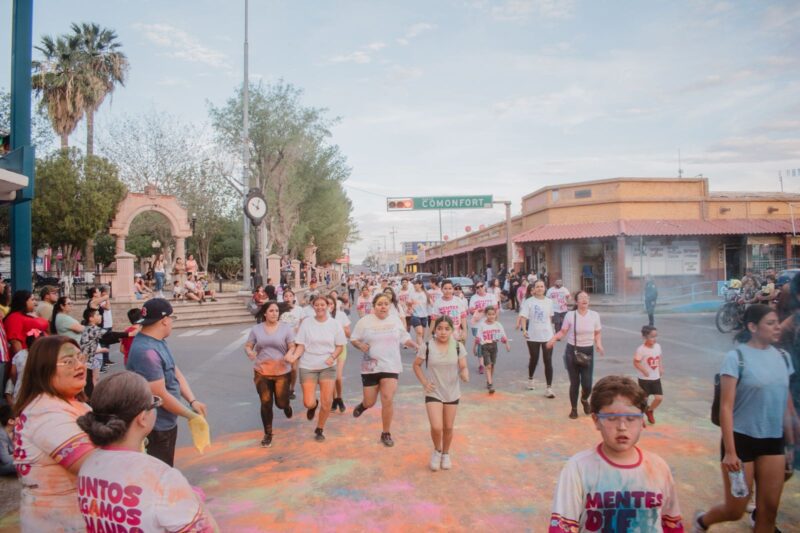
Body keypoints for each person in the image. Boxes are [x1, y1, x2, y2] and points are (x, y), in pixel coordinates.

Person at [694, 304, 794, 533]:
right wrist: (730, 451)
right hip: (741, 441)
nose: (778, 327)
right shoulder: (736, 357)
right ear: (752, 327)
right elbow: (726, 408)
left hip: (773, 441)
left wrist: (790, 443)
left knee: (769, 510)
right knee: (735, 509)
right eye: (770, 323)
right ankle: (702, 521)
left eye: (777, 322)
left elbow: (786, 405)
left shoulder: (783, 357)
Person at [76, 371, 218, 532]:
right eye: (154, 403)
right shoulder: (161, 477)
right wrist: (196, 501)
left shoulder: (88, 465)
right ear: (142, 417)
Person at [548, 375, 684, 532]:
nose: (622, 427)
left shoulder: (658, 467)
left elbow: (671, 524)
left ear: (642, 421)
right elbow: (562, 527)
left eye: (631, 418)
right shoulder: (578, 468)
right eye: (611, 418)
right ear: (596, 420)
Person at [13, 335, 96, 531]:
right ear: (44, 369)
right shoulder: (46, 414)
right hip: (59, 523)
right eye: (68, 361)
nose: (79, 366)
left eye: (80, 358)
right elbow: (93, 466)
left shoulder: (70, 403)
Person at [126, 298, 208, 466]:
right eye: (171, 318)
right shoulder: (146, 352)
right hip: (155, 428)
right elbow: (159, 394)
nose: (171, 322)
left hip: (166, 423)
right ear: (164, 320)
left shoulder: (158, 342)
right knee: (158, 474)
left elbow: (176, 373)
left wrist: (192, 401)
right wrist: (191, 416)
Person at [351, 293, 417, 447]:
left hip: (390, 365)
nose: (383, 306)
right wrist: (360, 345)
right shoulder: (364, 322)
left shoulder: (395, 320)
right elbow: (354, 339)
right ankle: (364, 405)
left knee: (387, 399)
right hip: (370, 366)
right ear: (374, 306)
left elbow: (404, 337)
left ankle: (386, 433)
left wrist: (414, 345)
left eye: (386, 304)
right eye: (380, 304)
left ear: (390, 306)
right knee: (370, 401)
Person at [285, 294, 346, 442]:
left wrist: (332, 357)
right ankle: (313, 406)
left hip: (328, 366)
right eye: (316, 305)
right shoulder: (307, 323)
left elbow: (340, 345)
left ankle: (320, 428)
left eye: (322, 305)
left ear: (328, 306)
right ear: (313, 306)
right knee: (308, 402)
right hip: (308, 366)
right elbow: (301, 345)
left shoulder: (334, 324)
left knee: (327, 402)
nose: (319, 307)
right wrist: (293, 356)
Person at [412, 316, 468, 471]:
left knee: (448, 427)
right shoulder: (428, 346)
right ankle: (437, 451)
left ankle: (446, 453)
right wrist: (424, 382)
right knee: (437, 427)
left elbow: (463, 365)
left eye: (446, 329)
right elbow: (416, 365)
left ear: (452, 330)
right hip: (434, 391)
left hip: (452, 392)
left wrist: (464, 373)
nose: (443, 332)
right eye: (439, 328)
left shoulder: (458, 346)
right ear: (434, 329)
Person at [244, 301, 296, 448]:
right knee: (266, 403)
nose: (274, 313)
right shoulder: (256, 329)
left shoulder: (286, 329)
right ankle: (268, 433)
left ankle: (286, 406)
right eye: (271, 311)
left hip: (282, 371)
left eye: (276, 311)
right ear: (265, 313)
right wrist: (249, 352)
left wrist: (290, 354)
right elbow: (248, 345)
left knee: (280, 403)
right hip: (262, 371)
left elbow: (292, 346)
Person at [547, 291, 605, 419]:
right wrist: (553, 339)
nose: (584, 299)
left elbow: (597, 333)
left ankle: (584, 399)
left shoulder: (594, 315)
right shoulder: (570, 315)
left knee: (587, 383)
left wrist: (599, 344)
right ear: (576, 301)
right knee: (575, 382)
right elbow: (562, 332)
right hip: (572, 352)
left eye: (586, 297)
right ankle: (574, 409)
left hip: (588, 352)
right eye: (581, 297)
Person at [518, 280, 556, 397]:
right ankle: (530, 379)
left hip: (547, 335)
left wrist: (553, 332)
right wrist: (524, 330)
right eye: (537, 287)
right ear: (533, 289)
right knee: (534, 358)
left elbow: (550, 318)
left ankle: (549, 388)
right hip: (533, 336)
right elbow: (523, 317)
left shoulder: (549, 302)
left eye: (542, 286)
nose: (540, 288)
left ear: (545, 288)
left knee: (548, 360)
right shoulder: (529, 302)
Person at [473, 306, 509, 393]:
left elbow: (503, 335)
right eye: (489, 314)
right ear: (486, 315)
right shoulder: (482, 325)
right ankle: (490, 384)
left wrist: (507, 344)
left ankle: (490, 380)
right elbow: (477, 338)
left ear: (495, 315)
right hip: (484, 346)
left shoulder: (498, 325)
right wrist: (474, 348)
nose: (491, 316)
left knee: (492, 365)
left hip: (494, 346)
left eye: (493, 314)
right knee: (488, 365)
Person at [633, 325, 663, 424]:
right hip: (644, 379)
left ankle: (649, 410)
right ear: (645, 337)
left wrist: (661, 367)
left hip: (655, 377)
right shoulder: (641, 349)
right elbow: (636, 362)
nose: (654, 339)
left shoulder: (658, 346)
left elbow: (659, 357)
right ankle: (640, 417)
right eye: (652, 336)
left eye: (656, 336)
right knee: (644, 399)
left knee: (659, 398)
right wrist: (643, 370)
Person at [326, 294, 351, 413]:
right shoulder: (320, 317)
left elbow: (348, 333)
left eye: (331, 304)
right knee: (331, 378)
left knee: (338, 377)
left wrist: (339, 327)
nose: (329, 306)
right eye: (327, 304)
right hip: (326, 350)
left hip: (340, 348)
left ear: (335, 305)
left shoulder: (341, 315)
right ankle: (334, 399)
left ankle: (339, 397)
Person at [469, 281, 498, 374]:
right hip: (477, 324)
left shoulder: (491, 296)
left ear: (484, 286)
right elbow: (471, 310)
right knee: (480, 345)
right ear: (475, 289)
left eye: (481, 286)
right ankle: (481, 365)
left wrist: (483, 309)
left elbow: (495, 307)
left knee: (489, 344)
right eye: (477, 287)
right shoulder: (474, 298)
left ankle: (489, 362)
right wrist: (479, 310)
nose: (480, 288)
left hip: (489, 324)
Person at [79, 307, 108, 396]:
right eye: (98, 315)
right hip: (91, 359)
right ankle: (92, 397)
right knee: (91, 379)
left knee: (94, 378)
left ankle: (92, 396)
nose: (100, 316)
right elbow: (86, 348)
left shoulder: (92, 329)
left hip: (94, 359)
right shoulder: (90, 330)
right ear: (91, 318)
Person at [408, 279, 431, 347]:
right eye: (414, 284)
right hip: (415, 315)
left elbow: (429, 303)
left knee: (422, 334)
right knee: (419, 332)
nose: (414, 285)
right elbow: (408, 303)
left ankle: (418, 346)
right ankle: (420, 350)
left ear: (420, 285)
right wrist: (410, 308)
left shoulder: (425, 293)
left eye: (416, 284)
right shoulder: (412, 293)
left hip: (424, 315)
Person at [0, 403, 15, 475]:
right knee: (16, 465)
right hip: (3, 465)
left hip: (13, 459)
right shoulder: (1, 435)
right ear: (11, 421)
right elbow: (6, 459)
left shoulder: (16, 431)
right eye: (18, 417)